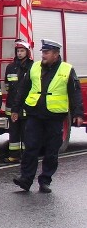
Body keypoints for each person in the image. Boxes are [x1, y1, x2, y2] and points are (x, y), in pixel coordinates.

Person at [11, 39, 84, 193]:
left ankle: (45, 180)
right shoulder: (35, 67)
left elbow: (75, 92)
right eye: (43, 52)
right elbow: (23, 89)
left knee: (51, 151)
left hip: (54, 116)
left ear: (56, 54)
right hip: (35, 114)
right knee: (30, 147)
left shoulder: (67, 69)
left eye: (46, 53)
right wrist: (15, 109)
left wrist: (78, 112)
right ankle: (26, 179)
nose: (43, 55)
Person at [4, 39, 34, 162]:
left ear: (27, 52)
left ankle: (27, 156)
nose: (19, 53)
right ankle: (14, 155)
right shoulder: (10, 67)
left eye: (22, 51)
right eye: (18, 51)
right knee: (14, 131)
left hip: (27, 104)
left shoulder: (32, 67)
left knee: (27, 131)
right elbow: (7, 86)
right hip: (12, 104)